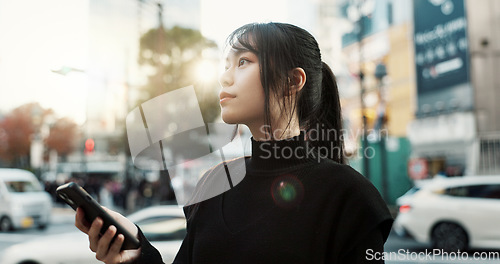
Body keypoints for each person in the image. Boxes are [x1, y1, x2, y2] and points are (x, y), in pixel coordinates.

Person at [74, 22, 394, 264]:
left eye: (243, 62)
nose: (225, 78)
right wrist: (137, 251)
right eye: (226, 65)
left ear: (292, 81)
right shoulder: (213, 184)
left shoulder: (350, 197)